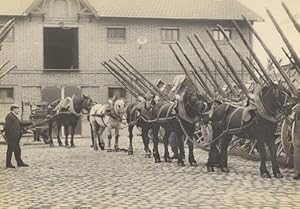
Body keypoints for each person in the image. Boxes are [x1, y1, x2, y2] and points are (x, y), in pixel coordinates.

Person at [4, 104, 30, 168]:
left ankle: (19, 162)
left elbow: (20, 123)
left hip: (16, 136)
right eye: (17, 109)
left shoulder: (14, 116)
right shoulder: (9, 116)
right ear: (14, 109)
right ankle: (8, 163)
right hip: (12, 136)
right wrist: (8, 136)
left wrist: (29, 122)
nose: (18, 110)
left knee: (17, 149)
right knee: (10, 149)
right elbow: (7, 127)